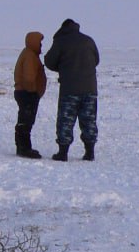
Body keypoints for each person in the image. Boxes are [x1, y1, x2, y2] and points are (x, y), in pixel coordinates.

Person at [43, 18, 100, 162]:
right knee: (89, 120)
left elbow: (49, 61)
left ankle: (62, 153)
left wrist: (64, 67)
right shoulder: (88, 41)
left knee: (66, 121)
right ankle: (90, 152)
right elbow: (97, 60)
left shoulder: (61, 41)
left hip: (69, 89)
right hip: (90, 88)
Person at [13, 31, 47, 159]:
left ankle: (23, 147)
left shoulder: (29, 54)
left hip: (26, 92)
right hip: (27, 93)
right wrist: (33, 92)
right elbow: (28, 77)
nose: (41, 45)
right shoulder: (30, 55)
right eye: (39, 42)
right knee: (25, 121)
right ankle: (24, 148)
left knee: (25, 121)